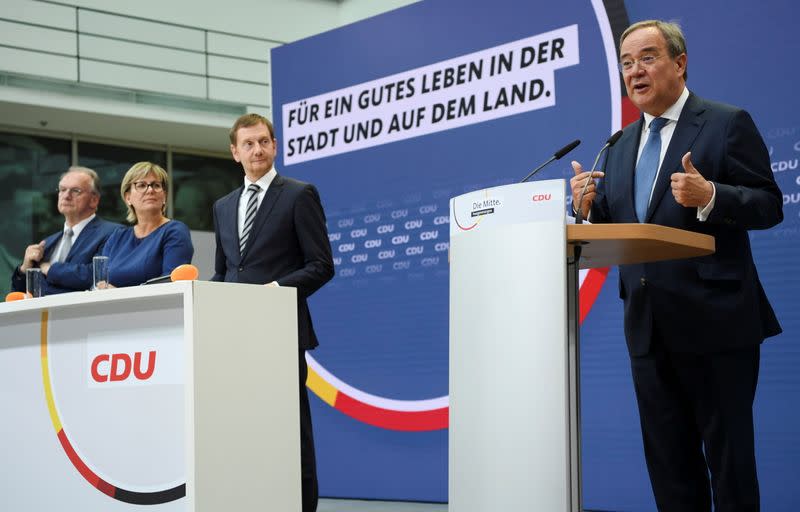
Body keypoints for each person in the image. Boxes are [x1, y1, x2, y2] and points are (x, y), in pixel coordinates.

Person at [570, 20, 782, 512]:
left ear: (679, 63)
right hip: (648, 329)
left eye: (647, 58)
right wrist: (586, 208)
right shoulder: (619, 145)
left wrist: (713, 195)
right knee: (669, 468)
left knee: (729, 469)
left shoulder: (726, 123)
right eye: (626, 63)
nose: (634, 71)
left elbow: (770, 204)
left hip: (717, 326)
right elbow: (623, 227)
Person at [211, 113, 334, 512]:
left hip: (280, 331)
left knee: (290, 430)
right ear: (235, 152)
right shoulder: (223, 206)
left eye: (263, 141)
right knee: (243, 428)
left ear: (275, 145)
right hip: (235, 337)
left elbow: (321, 265)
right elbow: (225, 270)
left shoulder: (300, 194)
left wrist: (275, 291)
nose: (257, 149)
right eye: (248, 144)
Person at [11, 166, 120, 294]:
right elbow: (18, 293)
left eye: (75, 191)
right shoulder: (47, 243)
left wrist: (50, 269)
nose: (66, 196)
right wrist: (24, 268)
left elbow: (97, 276)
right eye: (62, 189)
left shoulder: (114, 233)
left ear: (94, 200)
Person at [101, 162, 193, 287]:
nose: (150, 190)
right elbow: (100, 282)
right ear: (128, 198)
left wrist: (117, 292)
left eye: (156, 185)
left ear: (164, 196)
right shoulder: (117, 237)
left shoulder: (174, 231)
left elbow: (171, 284)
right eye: (141, 185)